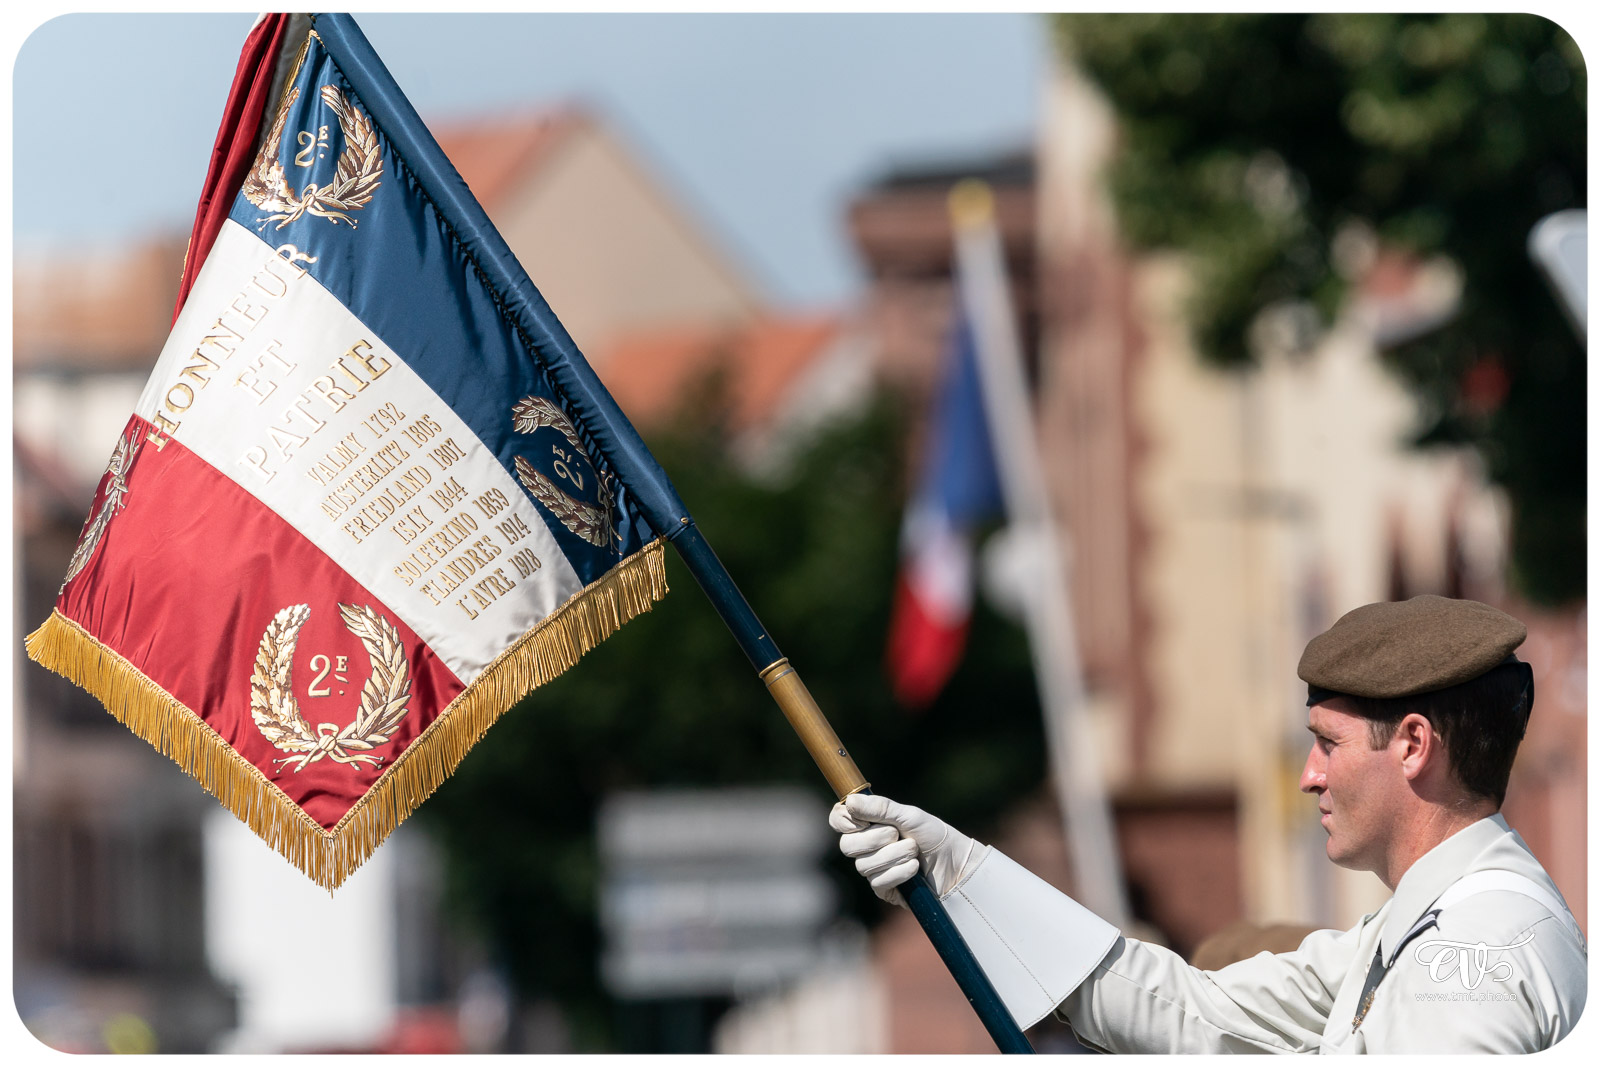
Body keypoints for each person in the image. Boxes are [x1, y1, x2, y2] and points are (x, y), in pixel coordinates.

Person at [833, 595, 1586, 1052]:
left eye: (1329, 743)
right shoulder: (1416, 929)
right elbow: (1190, 1011)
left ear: (1414, 745)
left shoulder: (1469, 953)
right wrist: (962, 878)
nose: (1310, 775)